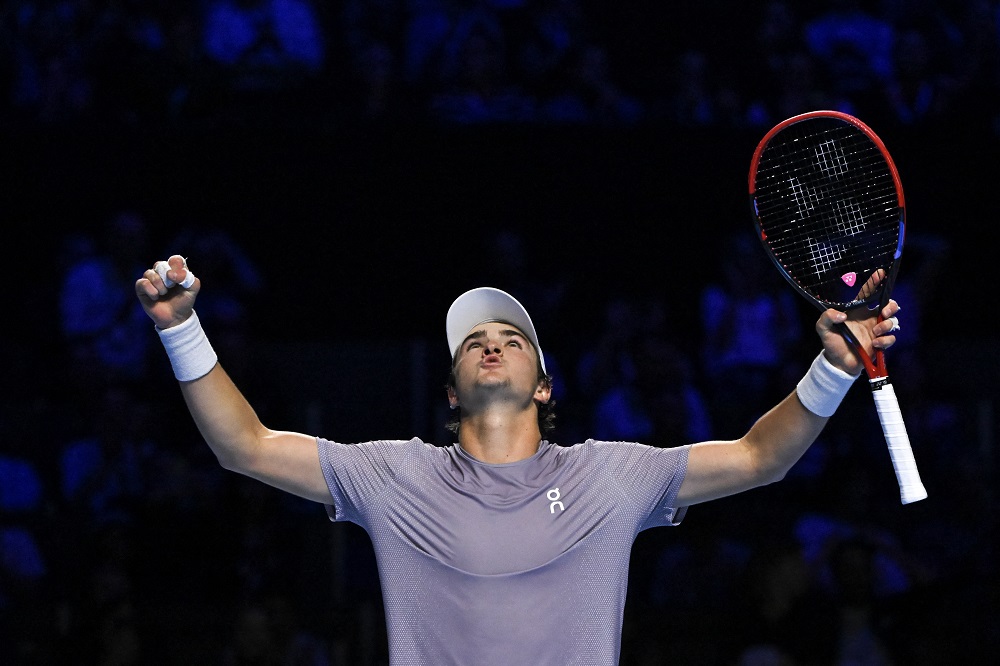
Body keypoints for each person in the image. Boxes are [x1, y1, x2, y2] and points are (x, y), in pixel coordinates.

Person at [132, 254, 902, 665]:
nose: (491, 344)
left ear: (543, 386)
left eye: (511, 339)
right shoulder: (396, 476)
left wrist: (832, 368)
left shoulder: (610, 475)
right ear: (451, 390)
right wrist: (179, 329)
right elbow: (244, 446)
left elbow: (761, 456)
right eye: (474, 341)